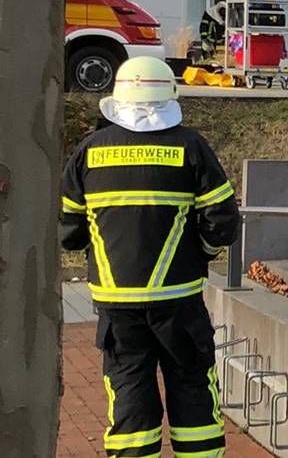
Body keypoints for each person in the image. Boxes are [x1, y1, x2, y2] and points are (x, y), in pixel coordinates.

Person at [60, 56, 240, 458]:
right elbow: (223, 220)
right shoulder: (189, 146)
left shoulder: (89, 152)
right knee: (192, 387)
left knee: (128, 391)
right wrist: (202, 253)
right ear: (169, 96)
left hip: (117, 304)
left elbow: (68, 231)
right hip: (178, 300)